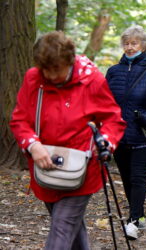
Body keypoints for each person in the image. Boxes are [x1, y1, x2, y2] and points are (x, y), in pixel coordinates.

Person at [10, 31, 126, 249]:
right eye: (46, 70)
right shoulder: (34, 78)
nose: (51, 76)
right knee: (70, 228)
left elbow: (113, 119)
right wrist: (33, 145)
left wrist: (105, 142)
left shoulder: (91, 80)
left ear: (69, 61)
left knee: (62, 227)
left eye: (56, 69)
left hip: (82, 169)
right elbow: (19, 120)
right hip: (46, 168)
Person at [106, 25, 146, 239]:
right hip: (120, 135)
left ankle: (132, 222)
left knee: (138, 177)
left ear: (143, 45)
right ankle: (139, 214)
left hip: (145, 133)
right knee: (125, 177)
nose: (130, 47)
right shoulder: (114, 71)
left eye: (134, 43)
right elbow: (105, 102)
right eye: (126, 43)